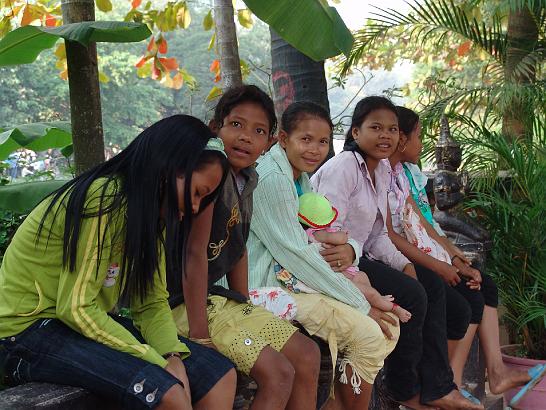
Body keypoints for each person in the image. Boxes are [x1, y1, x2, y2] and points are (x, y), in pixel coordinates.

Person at [0, 115, 237, 410]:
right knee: (165, 392)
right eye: (197, 193)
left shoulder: (151, 218)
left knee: (219, 375)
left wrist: (172, 355)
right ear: (167, 167)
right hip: (25, 333)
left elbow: (150, 302)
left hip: (71, 324)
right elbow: (75, 307)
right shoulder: (102, 198)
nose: (194, 207)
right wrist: (154, 360)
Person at [311, 96, 482, 410]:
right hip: (333, 261)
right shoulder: (343, 168)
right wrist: (352, 255)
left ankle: (434, 386)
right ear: (355, 133)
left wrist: (405, 265)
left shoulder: (381, 171)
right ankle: (403, 390)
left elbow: (379, 233)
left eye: (391, 129)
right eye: (375, 127)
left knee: (427, 287)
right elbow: (323, 230)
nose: (386, 136)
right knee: (414, 295)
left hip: (360, 253)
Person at [169, 86, 321, 410]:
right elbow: (193, 255)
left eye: (258, 131)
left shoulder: (248, 179)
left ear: (269, 143)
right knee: (278, 374)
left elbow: (238, 247)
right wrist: (199, 337)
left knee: (308, 355)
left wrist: (245, 304)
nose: (245, 137)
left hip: (221, 301)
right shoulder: (213, 175)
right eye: (235, 125)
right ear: (215, 128)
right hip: (184, 304)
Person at [248, 101, 399, 410]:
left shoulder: (298, 177)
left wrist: (353, 251)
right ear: (283, 138)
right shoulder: (274, 179)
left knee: (389, 325)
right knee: (371, 334)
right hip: (268, 285)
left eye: (323, 142)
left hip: (292, 278)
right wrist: (359, 301)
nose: (315, 149)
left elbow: (318, 240)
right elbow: (297, 254)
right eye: (305, 139)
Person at [392, 106, 534, 396]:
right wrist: (447, 263)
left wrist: (457, 258)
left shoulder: (411, 173)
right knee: (467, 298)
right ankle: (450, 383)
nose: (423, 144)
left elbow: (430, 225)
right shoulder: (390, 176)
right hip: (405, 258)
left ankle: (495, 372)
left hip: (431, 251)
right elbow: (408, 230)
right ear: (402, 140)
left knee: (485, 285)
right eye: (419, 136)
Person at [291, 192, 411, 322]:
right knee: (369, 293)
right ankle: (394, 308)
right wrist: (338, 236)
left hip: (348, 271)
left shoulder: (314, 233)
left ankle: (377, 299)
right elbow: (342, 238)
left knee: (363, 277)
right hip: (342, 278)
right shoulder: (315, 234)